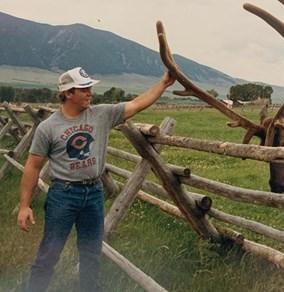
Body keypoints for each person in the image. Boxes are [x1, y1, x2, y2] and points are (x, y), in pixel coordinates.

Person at [17, 66, 175, 292]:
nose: (90, 92)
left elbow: (137, 104)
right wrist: (24, 205)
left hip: (93, 193)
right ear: (68, 93)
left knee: (91, 255)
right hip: (63, 195)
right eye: (84, 88)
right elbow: (33, 166)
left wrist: (163, 83)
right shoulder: (48, 127)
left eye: (90, 87)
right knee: (49, 254)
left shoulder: (101, 114)